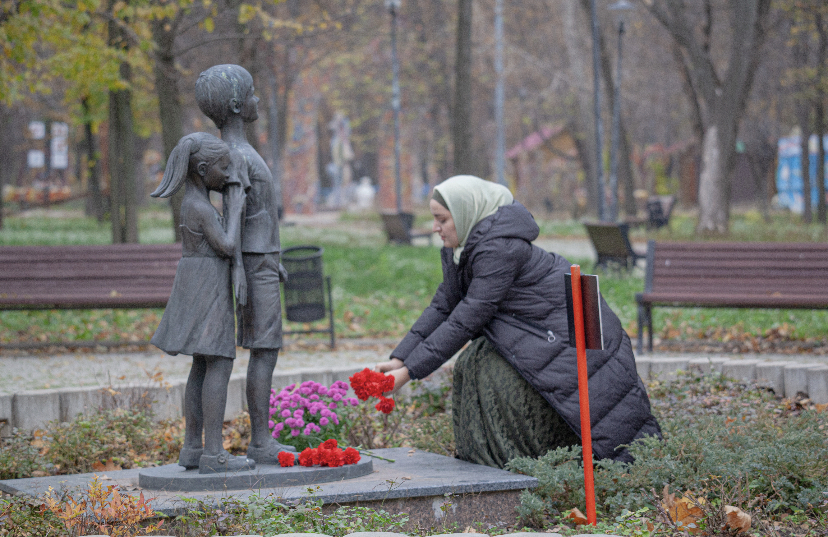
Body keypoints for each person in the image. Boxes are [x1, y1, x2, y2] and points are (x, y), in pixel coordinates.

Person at [377, 175, 661, 468]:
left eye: (442, 219)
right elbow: (442, 306)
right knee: (475, 361)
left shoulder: (497, 249)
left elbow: (466, 319)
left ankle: (537, 461)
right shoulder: (463, 250)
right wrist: (400, 358)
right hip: (542, 336)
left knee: (599, 421)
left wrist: (408, 373)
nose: (435, 227)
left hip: (569, 342)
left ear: (465, 214)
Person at [195, 64, 295, 463]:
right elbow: (232, 215)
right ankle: (261, 441)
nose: (257, 100)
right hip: (253, 263)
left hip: (262, 258)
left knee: (266, 347)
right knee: (264, 348)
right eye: (252, 93)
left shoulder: (241, 152)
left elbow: (257, 214)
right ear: (237, 105)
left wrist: (274, 258)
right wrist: (240, 268)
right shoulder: (234, 156)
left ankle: (261, 439)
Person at [150, 132, 254, 473]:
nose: (228, 174)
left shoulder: (192, 203)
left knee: (201, 363)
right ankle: (213, 454)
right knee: (219, 362)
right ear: (203, 169)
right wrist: (236, 208)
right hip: (207, 285)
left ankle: (193, 449)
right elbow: (226, 245)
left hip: (197, 282)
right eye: (223, 167)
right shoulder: (199, 207)